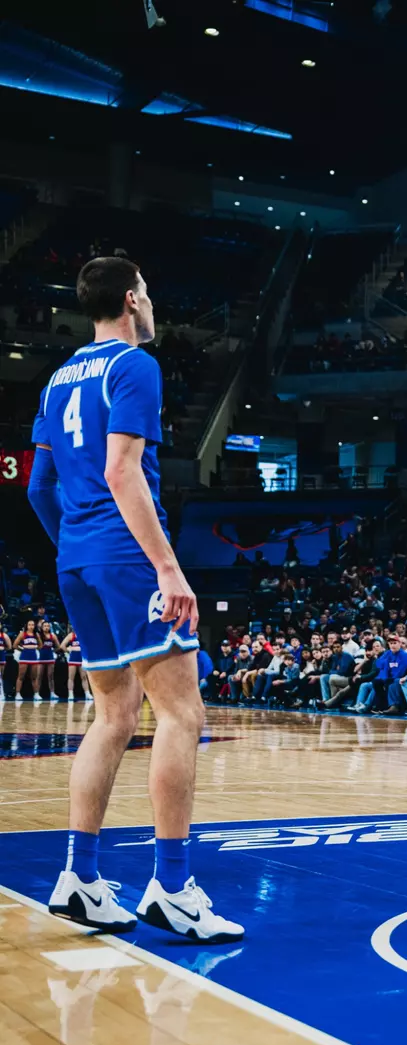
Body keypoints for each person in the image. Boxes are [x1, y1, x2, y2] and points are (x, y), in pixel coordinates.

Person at [27, 256, 241, 941]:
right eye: (146, 292)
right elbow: (122, 471)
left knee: (113, 716)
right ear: (129, 299)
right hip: (127, 557)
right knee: (182, 714)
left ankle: (80, 877)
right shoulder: (134, 365)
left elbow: (39, 488)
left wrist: (78, 547)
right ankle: (172, 889)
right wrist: (167, 569)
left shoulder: (58, 378)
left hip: (79, 559)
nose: (150, 303)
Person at [59, 629, 92, 702]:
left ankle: (87, 693)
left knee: (84, 677)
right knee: (71, 677)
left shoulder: (84, 634)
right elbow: (62, 646)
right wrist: (68, 650)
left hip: (82, 659)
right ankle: (70, 694)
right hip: (73, 659)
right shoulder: (71, 635)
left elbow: (89, 645)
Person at [13, 619, 42, 700]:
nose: (31, 626)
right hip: (24, 657)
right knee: (21, 676)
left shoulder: (36, 635)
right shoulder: (22, 634)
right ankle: (18, 694)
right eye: (29, 625)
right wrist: (23, 649)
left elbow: (40, 645)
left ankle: (36, 694)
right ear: (27, 626)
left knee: (34, 677)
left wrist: (34, 648)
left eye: (32, 625)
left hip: (33, 657)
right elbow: (14, 645)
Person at [37, 620, 61, 700]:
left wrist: (53, 650)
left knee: (50, 676)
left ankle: (52, 693)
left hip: (50, 657)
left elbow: (58, 646)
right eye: (45, 626)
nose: (46, 627)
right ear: (42, 627)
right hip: (41, 657)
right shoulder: (38, 635)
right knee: (39, 676)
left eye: (48, 626)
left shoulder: (52, 636)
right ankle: (37, 693)